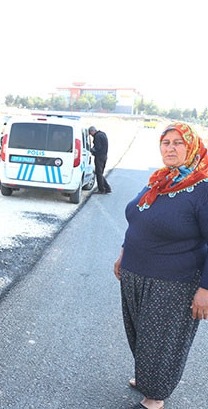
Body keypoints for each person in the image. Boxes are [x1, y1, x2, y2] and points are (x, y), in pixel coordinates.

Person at [113, 122, 208, 409]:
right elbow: (139, 218)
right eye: (166, 142)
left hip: (173, 282)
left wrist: (205, 288)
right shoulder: (161, 179)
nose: (170, 147)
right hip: (136, 273)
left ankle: (155, 396)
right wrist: (123, 252)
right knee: (141, 335)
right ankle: (147, 378)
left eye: (178, 142)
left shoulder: (202, 187)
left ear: (191, 147)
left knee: (162, 343)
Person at [89, 126, 112, 194]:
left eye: (91, 133)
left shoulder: (97, 136)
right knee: (100, 173)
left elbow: (98, 147)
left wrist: (92, 150)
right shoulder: (102, 134)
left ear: (93, 131)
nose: (91, 135)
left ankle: (101, 189)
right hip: (104, 156)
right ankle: (107, 188)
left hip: (99, 157)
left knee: (98, 173)